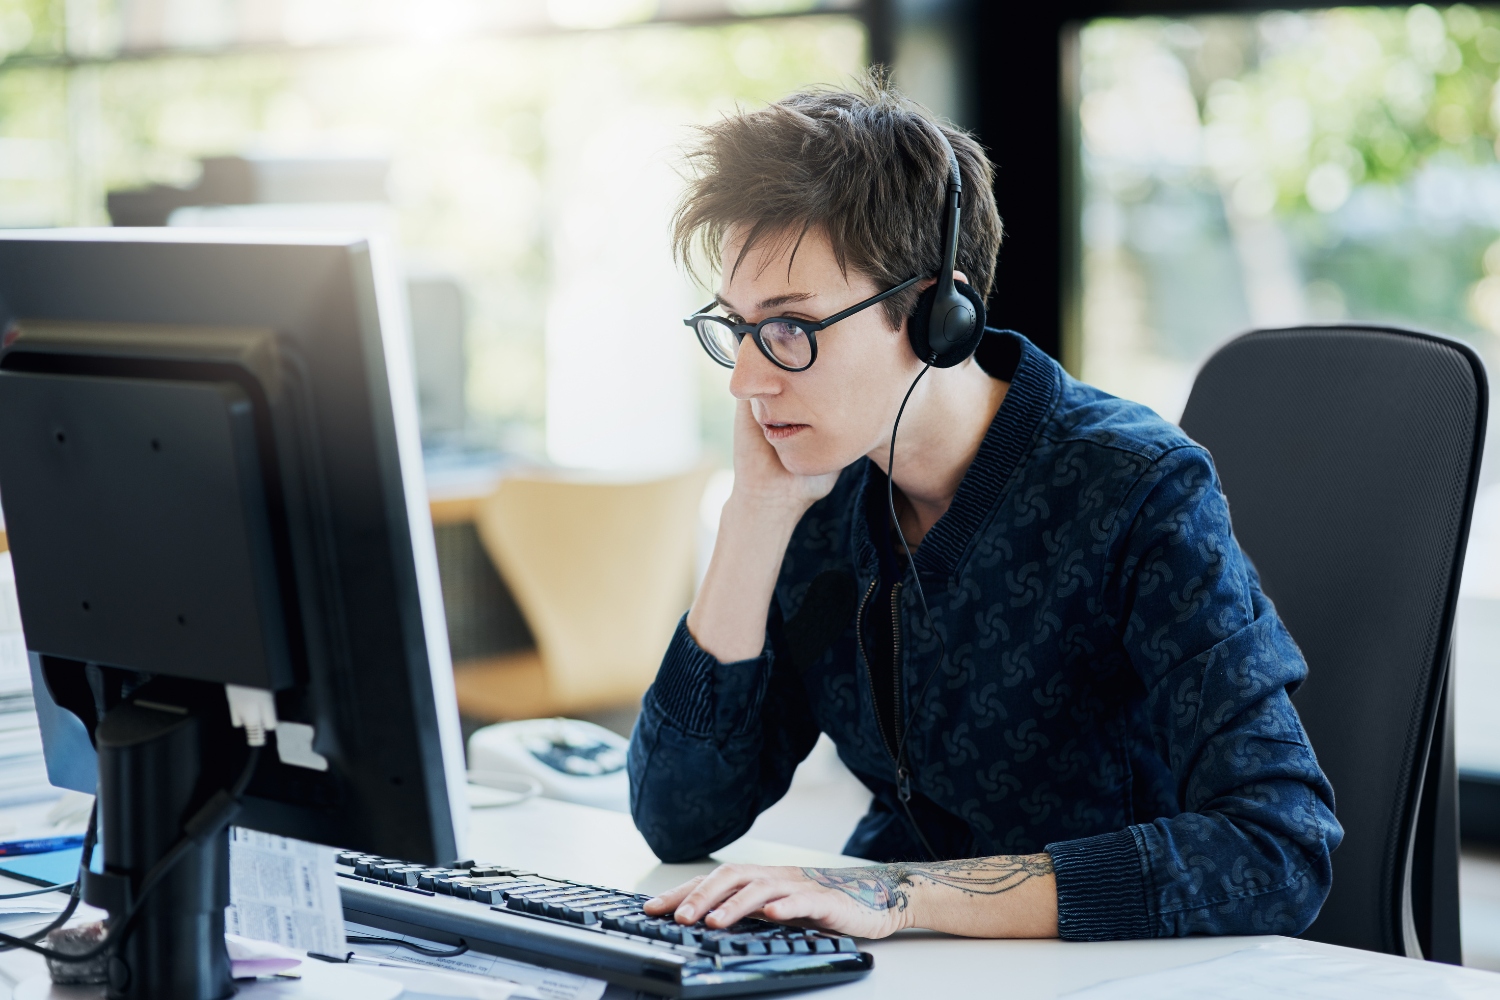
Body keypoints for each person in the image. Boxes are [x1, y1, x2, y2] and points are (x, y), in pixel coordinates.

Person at [628, 75, 1342, 942]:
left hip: (1126, 969)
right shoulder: (820, 484)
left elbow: (1276, 846)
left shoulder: (1134, 486)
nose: (747, 379)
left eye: (790, 328)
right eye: (737, 328)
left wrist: (904, 896)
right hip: (915, 966)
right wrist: (756, 514)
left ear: (938, 315)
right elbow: (679, 818)